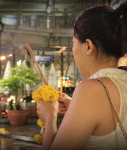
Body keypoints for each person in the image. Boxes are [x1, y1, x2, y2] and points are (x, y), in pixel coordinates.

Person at [37, 1, 127, 150]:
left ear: (88, 46)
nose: (73, 51)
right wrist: (76, 107)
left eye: (73, 43)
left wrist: (49, 119)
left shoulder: (91, 89)